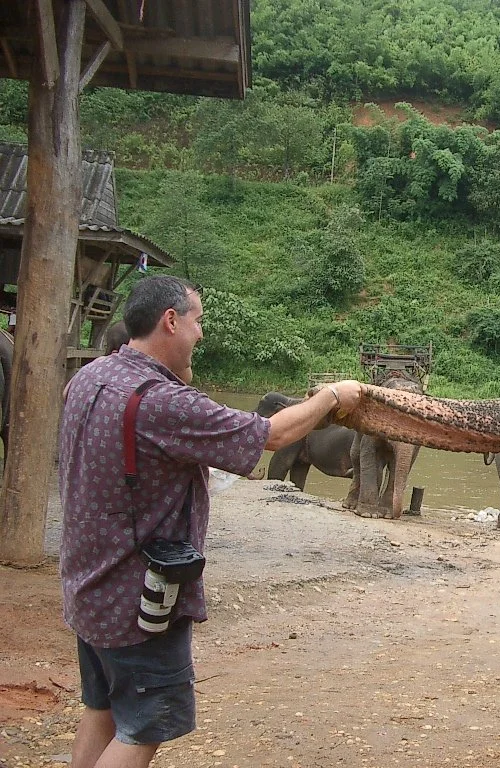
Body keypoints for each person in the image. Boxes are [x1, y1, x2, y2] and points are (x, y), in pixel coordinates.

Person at [58, 275, 361, 768]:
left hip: (86, 584)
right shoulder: (163, 401)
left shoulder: (89, 377)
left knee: (103, 709)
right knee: (144, 726)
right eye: (198, 321)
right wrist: (331, 396)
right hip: (138, 601)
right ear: (171, 321)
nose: (201, 334)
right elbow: (270, 435)